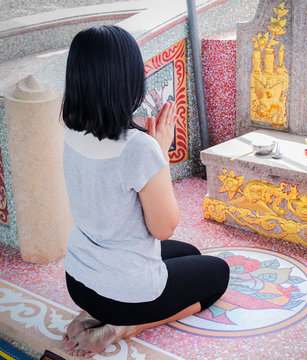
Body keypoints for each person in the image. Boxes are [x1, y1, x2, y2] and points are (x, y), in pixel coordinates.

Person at [60, 25, 230, 358]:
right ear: (127, 81)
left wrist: (152, 153)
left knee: (190, 254)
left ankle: (95, 314)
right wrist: (159, 155)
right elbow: (164, 227)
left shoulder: (71, 129)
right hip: (123, 295)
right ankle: (124, 326)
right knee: (217, 275)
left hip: (79, 280)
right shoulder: (138, 148)